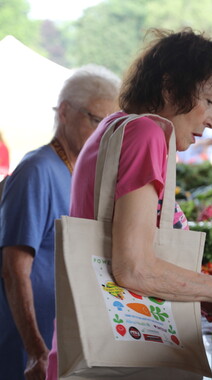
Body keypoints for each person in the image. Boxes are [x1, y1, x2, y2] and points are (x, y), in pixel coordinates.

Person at [45, 28, 212, 379]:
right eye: (207, 99)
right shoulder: (146, 134)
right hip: (117, 364)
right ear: (170, 87)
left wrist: (204, 295)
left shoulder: (115, 127)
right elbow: (134, 268)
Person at [0, 64, 121, 380]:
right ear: (65, 112)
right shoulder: (36, 171)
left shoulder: (76, 169)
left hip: (59, 344)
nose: (102, 135)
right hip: (25, 353)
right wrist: (35, 351)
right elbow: (14, 270)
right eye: (96, 121)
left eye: (110, 126)